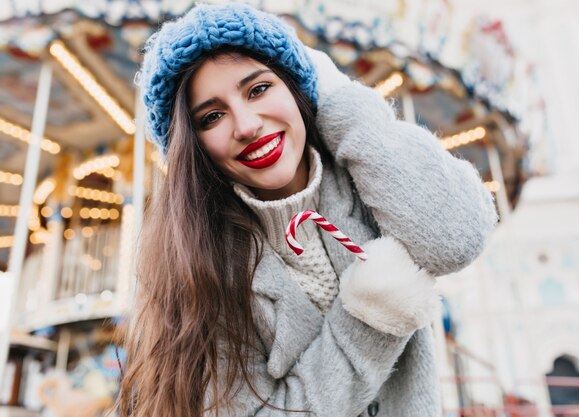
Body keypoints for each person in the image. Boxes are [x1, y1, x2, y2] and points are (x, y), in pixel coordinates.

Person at [117, 3, 497, 417]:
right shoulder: (202, 265)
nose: (245, 125)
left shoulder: (371, 182)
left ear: (296, 85)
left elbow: (457, 239)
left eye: (259, 89)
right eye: (211, 116)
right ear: (194, 147)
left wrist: (342, 101)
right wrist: (371, 319)